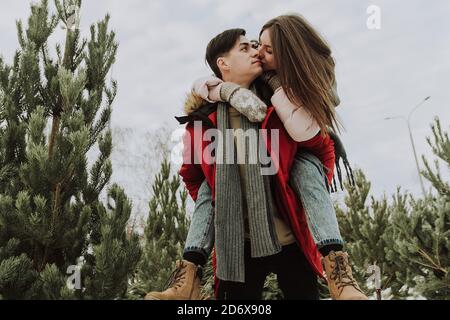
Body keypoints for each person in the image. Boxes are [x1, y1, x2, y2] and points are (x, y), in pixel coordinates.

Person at [146, 14, 366, 301]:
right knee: (207, 190)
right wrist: (224, 200)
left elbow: (320, 149)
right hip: (238, 246)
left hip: (291, 239)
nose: (256, 52)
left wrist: (297, 188)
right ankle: (186, 279)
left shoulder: (281, 106)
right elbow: (192, 174)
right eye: (246, 47)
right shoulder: (201, 121)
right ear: (223, 64)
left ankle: (339, 270)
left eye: (258, 46)